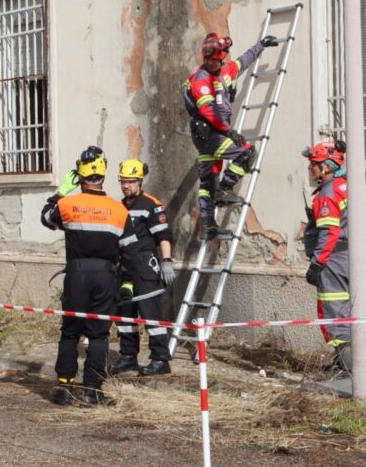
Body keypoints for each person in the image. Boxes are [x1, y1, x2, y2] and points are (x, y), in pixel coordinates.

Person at [41, 146, 143, 406]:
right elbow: (131, 252)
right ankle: (92, 392)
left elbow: (45, 218)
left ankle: (64, 388)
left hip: (76, 274)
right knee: (98, 335)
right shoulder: (119, 210)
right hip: (106, 276)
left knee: (70, 332)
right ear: (104, 174)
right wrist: (129, 283)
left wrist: (62, 190)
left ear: (80, 173)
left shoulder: (68, 204)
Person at [183, 32, 279, 240]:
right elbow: (209, 111)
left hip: (212, 133)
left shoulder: (227, 71)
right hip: (209, 133)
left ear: (221, 59)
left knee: (208, 182)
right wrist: (229, 131)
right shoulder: (201, 79)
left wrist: (261, 44)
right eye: (206, 59)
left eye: (213, 60)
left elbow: (244, 60)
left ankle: (208, 225)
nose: (209, 63)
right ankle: (225, 188)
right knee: (246, 153)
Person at [108, 159, 176, 377]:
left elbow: (163, 236)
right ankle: (128, 357)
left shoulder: (151, 205)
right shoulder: (119, 206)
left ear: (139, 181)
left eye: (130, 181)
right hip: (125, 267)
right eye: (123, 181)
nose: (125, 185)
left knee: (150, 313)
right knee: (124, 314)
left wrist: (166, 262)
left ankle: (160, 359)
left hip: (145, 266)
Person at [301, 140, 351, 374]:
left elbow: (329, 231)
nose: (311, 169)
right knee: (344, 309)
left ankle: (347, 366)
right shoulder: (345, 186)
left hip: (332, 259)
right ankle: (345, 362)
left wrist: (318, 262)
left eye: (314, 164)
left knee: (334, 308)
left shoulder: (328, 194)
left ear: (327, 166)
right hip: (346, 256)